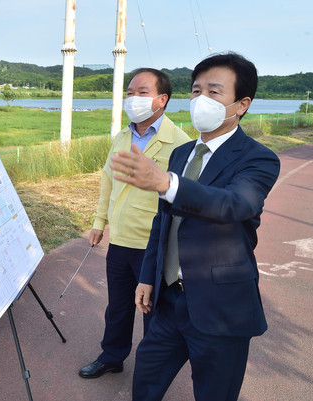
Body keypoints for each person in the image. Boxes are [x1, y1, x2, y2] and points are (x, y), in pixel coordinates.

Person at [110, 53, 281, 400]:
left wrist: (167, 184)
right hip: (169, 300)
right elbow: (164, 222)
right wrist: (147, 276)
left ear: (241, 104)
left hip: (221, 308)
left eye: (214, 92)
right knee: (145, 383)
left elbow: (234, 204)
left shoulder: (258, 158)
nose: (201, 99)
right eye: (196, 90)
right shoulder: (182, 153)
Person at [78, 68, 190, 379]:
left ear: (161, 99)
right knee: (118, 307)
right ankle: (112, 356)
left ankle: (151, 372)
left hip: (152, 246)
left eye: (141, 92)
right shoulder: (123, 136)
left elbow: (180, 199)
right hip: (120, 240)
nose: (132, 98)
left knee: (151, 311)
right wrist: (99, 222)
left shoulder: (179, 143)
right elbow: (107, 180)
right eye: (129, 92)